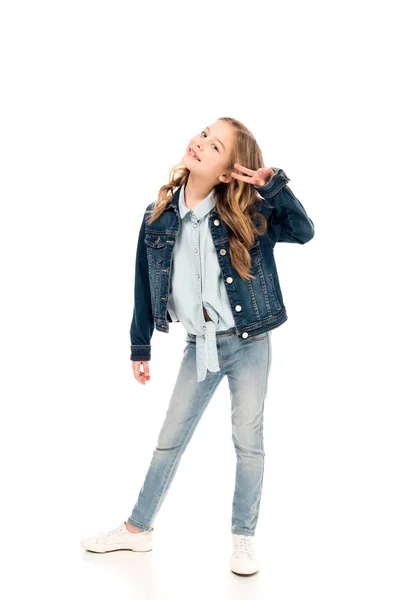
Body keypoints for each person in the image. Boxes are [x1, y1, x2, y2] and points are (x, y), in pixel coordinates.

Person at [81, 117, 315, 575]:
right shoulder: (158, 215)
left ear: (230, 171)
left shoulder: (249, 214)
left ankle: (243, 539)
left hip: (249, 344)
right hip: (198, 346)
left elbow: (304, 231)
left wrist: (274, 186)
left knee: (248, 442)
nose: (201, 142)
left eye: (215, 145)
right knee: (169, 440)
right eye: (204, 134)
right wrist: (139, 345)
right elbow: (142, 287)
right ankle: (137, 530)